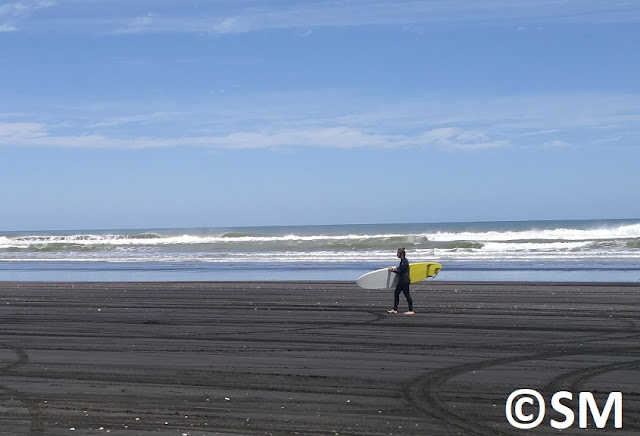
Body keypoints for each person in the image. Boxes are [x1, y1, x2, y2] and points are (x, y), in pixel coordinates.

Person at [387, 247, 414, 315]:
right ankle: (395, 309)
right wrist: (395, 268)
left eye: (398, 253)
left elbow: (401, 271)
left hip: (404, 280)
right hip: (403, 280)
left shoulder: (404, 261)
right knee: (398, 293)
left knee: (406, 294)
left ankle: (411, 310)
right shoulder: (403, 261)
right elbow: (401, 268)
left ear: (401, 254)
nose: (397, 254)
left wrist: (392, 270)